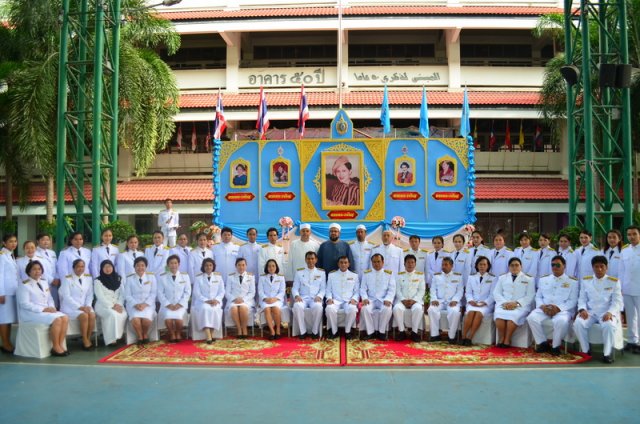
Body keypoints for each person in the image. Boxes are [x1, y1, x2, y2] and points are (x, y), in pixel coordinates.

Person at [573, 255, 623, 364]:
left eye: (602, 266)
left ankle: (607, 353)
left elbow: (617, 301)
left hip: (606, 312)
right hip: (590, 313)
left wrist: (610, 312)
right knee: (578, 323)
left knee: (609, 325)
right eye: (596, 267)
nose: (599, 269)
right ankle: (586, 350)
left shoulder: (614, 282)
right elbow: (582, 298)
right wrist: (582, 310)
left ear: (606, 267)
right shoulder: (586, 281)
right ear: (592, 267)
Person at [526, 255, 578, 355]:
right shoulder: (544, 279)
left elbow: (573, 300)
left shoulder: (572, 281)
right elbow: (538, 296)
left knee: (560, 321)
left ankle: (556, 346)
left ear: (564, 266)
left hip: (563, 310)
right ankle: (542, 343)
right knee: (531, 318)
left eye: (558, 265)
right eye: (553, 265)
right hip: (545, 308)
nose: (555, 267)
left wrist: (558, 308)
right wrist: (542, 306)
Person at [17, 261, 69, 356]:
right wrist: (43, 309)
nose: (37, 271)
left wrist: (52, 307)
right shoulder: (24, 285)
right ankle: (55, 346)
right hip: (31, 313)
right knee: (57, 320)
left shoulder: (44, 282)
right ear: (29, 271)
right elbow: (24, 304)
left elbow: (49, 298)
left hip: (46, 311)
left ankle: (60, 344)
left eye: (39, 269)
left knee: (65, 317)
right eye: (34, 269)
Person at [493, 257, 535, 348]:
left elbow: (530, 295)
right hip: (503, 305)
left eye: (517, 265)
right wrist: (505, 303)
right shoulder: (502, 277)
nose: (514, 267)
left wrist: (516, 303)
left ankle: (507, 339)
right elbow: (496, 292)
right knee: (499, 317)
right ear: (508, 267)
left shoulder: (529, 279)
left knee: (512, 319)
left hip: (520, 306)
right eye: (512, 265)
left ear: (521, 266)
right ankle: (502, 338)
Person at [60, 259, 96, 350]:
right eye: (78, 267)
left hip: (85, 305)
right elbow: (66, 296)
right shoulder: (67, 279)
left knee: (92, 314)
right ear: (73, 268)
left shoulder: (88, 278)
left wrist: (88, 305)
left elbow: (90, 294)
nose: (80, 269)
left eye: (82, 266)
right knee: (84, 316)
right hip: (70, 307)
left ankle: (88, 338)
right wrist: (80, 307)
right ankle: (84, 340)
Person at [461, 256, 496, 346]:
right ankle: (463, 336)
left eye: (484, 264)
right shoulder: (471, 277)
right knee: (471, 312)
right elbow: (468, 292)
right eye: (480, 264)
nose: (482, 266)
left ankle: (470, 337)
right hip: (473, 303)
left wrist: (485, 302)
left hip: (486, 304)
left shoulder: (492, 278)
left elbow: (493, 294)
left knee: (478, 313)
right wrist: (471, 300)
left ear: (488, 266)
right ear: (477, 266)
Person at [360, 253, 396, 341]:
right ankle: (370, 332)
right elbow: (363, 289)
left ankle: (382, 332)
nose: (376, 264)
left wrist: (388, 299)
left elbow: (392, 289)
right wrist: (364, 298)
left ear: (383, 262)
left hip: (383, 299)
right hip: (371, 300)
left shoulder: (389, 274)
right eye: (374, 262)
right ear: (371, 263)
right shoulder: (366, 273)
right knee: (364, 309)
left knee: (387, 309)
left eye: (379, 262)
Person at [427, 257, 463, 343]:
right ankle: (435, 335)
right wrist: (434, 299)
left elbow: (460, 290)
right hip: (440, 301)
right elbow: (432, 289)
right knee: (431, 309)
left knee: (454, 312)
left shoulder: (458, 276)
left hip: (452, 301)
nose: (443, 266)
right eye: (442, 264)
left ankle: (451, 336)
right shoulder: (436, 276)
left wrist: (455, 300)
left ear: (451, 266)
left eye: (446, 264)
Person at [157, 255, 191, 343]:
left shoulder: (185, 276)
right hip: (167, 305)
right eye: (171, 263)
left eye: (175, 263)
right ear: (168, 265)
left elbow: (187, 292)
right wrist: (168, 304)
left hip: (180, 305)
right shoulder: (162, 277)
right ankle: (172, 333)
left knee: (179, 319)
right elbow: (160, 293)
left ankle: (178, 333)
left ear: (179, 264)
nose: (173, 265)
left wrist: (180, 304)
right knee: (168, 318)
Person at [292, 251, 326, 339]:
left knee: (319, 307)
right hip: (303, 298)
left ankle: (315, 331)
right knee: (297, 306)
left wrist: (320, 296)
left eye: (312, 258)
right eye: (308, 259)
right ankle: (302, 331)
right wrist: (296, 296)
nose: (310, 261)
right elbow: (295, 287)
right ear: (305, 260)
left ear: (316, 260)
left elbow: (323, 288)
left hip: (315, 298)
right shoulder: (299, 272)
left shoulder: (321, 273)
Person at [124, 256, 158, 346]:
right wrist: (135, 304)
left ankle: (145, 334)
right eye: (138, 265)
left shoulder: (151, 277)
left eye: (142, 265)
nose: (140, 268)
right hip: (133, 305)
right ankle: (140, 336)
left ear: (146, 267)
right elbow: (127, 295)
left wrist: (145, 304)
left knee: (147, 320)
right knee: (135, 319)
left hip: (148, 305)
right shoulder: (129, 279)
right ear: (134, 267)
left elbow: (153, 293)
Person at [94, 260, 127, 346]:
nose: (108, 269)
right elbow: (100, 296)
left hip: (118, 304)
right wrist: (112, 306)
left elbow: (122, 294)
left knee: (124, 314)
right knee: (112, 314)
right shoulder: (97, 281)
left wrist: (119, 304)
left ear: (113, 267)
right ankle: (111, 340)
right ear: (102, 269)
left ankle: (119, 336)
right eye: (105, 267)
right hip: (103, 305)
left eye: (109, 266)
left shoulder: (119, 278)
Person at [325, 256, 359, 339]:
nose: (343, 264)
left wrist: (354, 299)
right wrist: (329, 298)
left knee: (352, 309)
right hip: (335, 301)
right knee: (329, 309)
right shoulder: (332, 275)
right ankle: (334, 331)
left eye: (345, 262)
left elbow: (357, 291)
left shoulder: (354, 276)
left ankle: (347, 331)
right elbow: (328, 290)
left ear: (348, 264)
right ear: (338, 264)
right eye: (341, 262)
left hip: (348, 301)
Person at [393, 254, 425, 342]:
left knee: (418, 309)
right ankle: (402, 331)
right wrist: (403, 300)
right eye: (408, 262)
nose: (410, 264)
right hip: (402, 300)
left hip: (415, 301)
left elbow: (422, 290)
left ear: (415, 264)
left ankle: (414, 332)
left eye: (412, 262)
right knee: (396, 308)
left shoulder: (420, 275)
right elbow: (397, 290)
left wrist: (414, 300)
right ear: (404, 264)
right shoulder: (399, 275)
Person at [192, 258, 224, 344]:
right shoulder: (198, 278)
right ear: (203, 267)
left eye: (210, 265)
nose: (208, 267)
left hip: (215, 301)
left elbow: (222, 291)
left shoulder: (218, 277)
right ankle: (208, 335)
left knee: (215, 310)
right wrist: (207, 300)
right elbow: (197, 293)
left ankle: (212, 333)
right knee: (205, 309)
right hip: (202, 302)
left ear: (213, 266)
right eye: (206, 265)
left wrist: (216, 300)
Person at [620, 225, 640, 353]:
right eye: (629, 234)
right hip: (627, 288)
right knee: (631, 315)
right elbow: (621, 270)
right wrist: (620, 287)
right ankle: (632, 341)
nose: (631, 237)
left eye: (634, 234)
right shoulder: (624, 250)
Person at [225, 258, 256, 339]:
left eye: (243, 265)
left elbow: (252, 292)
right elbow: (227, 292)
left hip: (246, 301)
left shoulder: (251, 276)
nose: (241, 267)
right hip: (234, 300)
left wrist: (243, 299)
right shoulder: (230, 276)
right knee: (234, 309)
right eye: (239, 265)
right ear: (236, 266)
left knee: (242, 307)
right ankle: (239, 329)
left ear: (246, 266)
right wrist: (234, 299)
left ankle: (244, 329)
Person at [258, 259, 286, 340]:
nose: (271, 268)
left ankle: (278, 329)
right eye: (269, 266)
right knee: (267, 309)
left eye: (273, 266)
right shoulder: (262, 277)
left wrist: (275, 299)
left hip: (277, 300)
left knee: (276, 309)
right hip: (265, 300)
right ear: (266, 267)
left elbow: (282, 291)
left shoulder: (280, 277)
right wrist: (265, 298)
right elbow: (260, 290)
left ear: (276, 267)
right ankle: (272, 331)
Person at [0, 234, 19, 353]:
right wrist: (0, 293)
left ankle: (8, 341)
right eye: (11, 241)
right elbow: (0, 275)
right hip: (5, 292)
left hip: (12, 291)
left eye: (15, 241)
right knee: (3, 319)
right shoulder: (2, 256)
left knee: (9, 319)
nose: (14, 243)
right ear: (4, 243)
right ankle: (5, 343)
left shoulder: (10, 255)